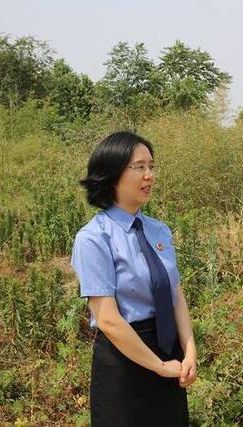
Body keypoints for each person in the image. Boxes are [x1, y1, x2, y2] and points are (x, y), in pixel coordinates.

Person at [71, 131, 197, 426]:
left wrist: (190, 350)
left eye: (152, 167)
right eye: (139, 167)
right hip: (124, 362)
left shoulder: (158, 230)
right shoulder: (94, 238)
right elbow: (108, 320)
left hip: (169, 354)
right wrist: (158, 366)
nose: (149, 175)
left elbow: (175, 295)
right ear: (113, 174)